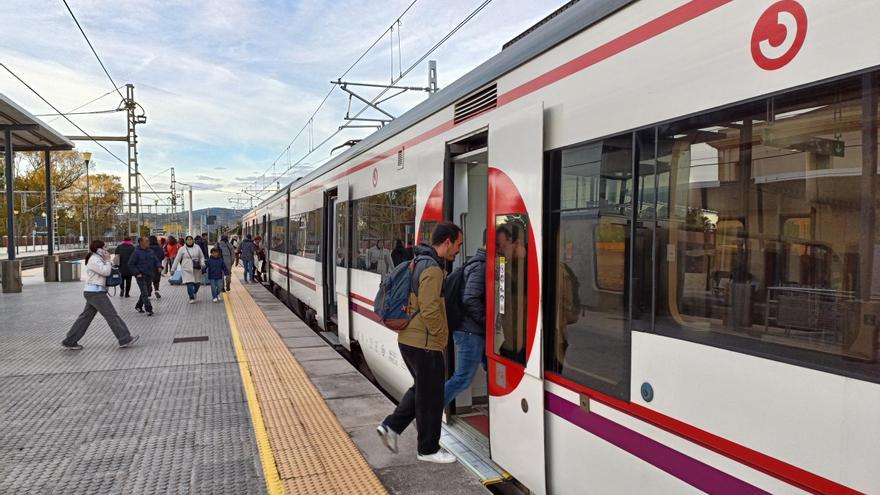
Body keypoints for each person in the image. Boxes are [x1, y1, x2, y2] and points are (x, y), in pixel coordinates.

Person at [377, 222, 463, 464]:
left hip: (410, 340)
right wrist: (441, 337)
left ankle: (391, 427)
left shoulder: (419, 261)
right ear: (447, 242)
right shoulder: (433, 269)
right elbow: (429, 308)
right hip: (424, 343)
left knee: (423, 389)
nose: (458, 250)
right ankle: (428, 449)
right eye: (458, 244)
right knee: (431, 399)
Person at [62, 240, 140, 350]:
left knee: (85, 318)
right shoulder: (94, 259)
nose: (106, 249)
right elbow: (106, 272)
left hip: (94, 291)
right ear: (98, 249)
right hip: (95, 292)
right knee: (111, 315)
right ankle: (124, 338)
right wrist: (108, 261)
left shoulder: (98, 259)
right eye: (104, 247)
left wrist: (108, 261)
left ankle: (70, 341)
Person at [443, 230, 488, 407]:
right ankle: (429, 410)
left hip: (473, 330)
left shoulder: (478, 262)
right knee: (462, 379)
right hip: (471, 331)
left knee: (493, 369)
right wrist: (487, 322)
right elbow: (470, 299)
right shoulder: (481, 266)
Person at [128, 236, 159, 316]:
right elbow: (131, 264)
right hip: (141, 276)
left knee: (146, 291)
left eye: (148, 241)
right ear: (141, 242)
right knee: (145, 292)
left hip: (150, 275)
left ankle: (138, 306)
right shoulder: (136, 252)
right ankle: (148, 309)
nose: (148, 242)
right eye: (147, 241)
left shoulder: (151, 251)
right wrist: (137, 273)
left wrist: (159, 266)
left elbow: (156, 260)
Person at [172, 235, 207, 303]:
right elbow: (177, 259)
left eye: (191, 239)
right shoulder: (182, 249)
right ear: (186, 241)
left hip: (196, 268)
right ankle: (191, 298)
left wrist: (202, 263)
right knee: (189, 283)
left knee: (197, 283)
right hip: (186, 268)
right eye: (188, 239)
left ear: (193, 240)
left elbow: (202, 257)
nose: (189, 241)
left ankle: (194, 292)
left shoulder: (197, 247)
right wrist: (173, 269)